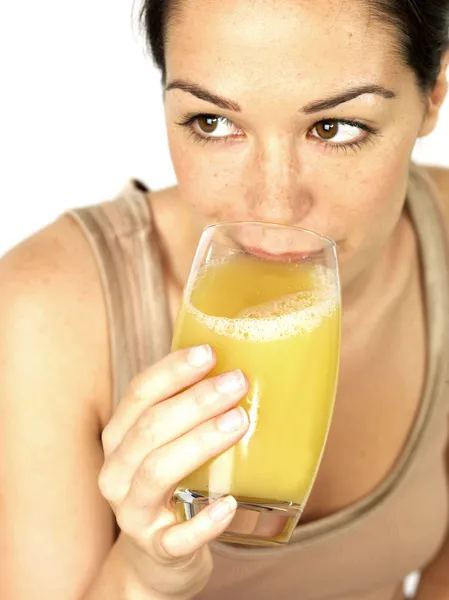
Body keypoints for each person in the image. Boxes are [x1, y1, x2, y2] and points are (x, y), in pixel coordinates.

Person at [1, 0, 449, 599]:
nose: (272, 203)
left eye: (335, 128)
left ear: (433, 92)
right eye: (212, 122)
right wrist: (145, 575)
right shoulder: (45, 311)